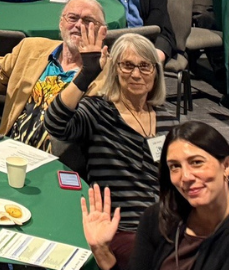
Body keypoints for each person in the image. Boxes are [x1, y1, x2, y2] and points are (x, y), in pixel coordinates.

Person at [81, 122, 229, 270]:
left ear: (227, 166)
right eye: (175, 166)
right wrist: (102, 252)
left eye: (196, 162)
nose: (186, 177)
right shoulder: (157, 219)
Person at [48, 30, 170, 265]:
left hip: (166, 224)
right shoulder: (98, 111)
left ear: (156, 72)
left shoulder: (167, 118)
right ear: (115, 70)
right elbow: (54, 123)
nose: (136, 74)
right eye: (127, 66)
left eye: (145, 66)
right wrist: (86, 74)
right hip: (119, 227)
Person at [0, 0, 109, 151]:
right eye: (72, 18)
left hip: (60, 160)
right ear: (61, 23)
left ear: (102, 31)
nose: (78, 25)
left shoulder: (110, 74)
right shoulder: (31, 48)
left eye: (88, 21)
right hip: (8, 149)